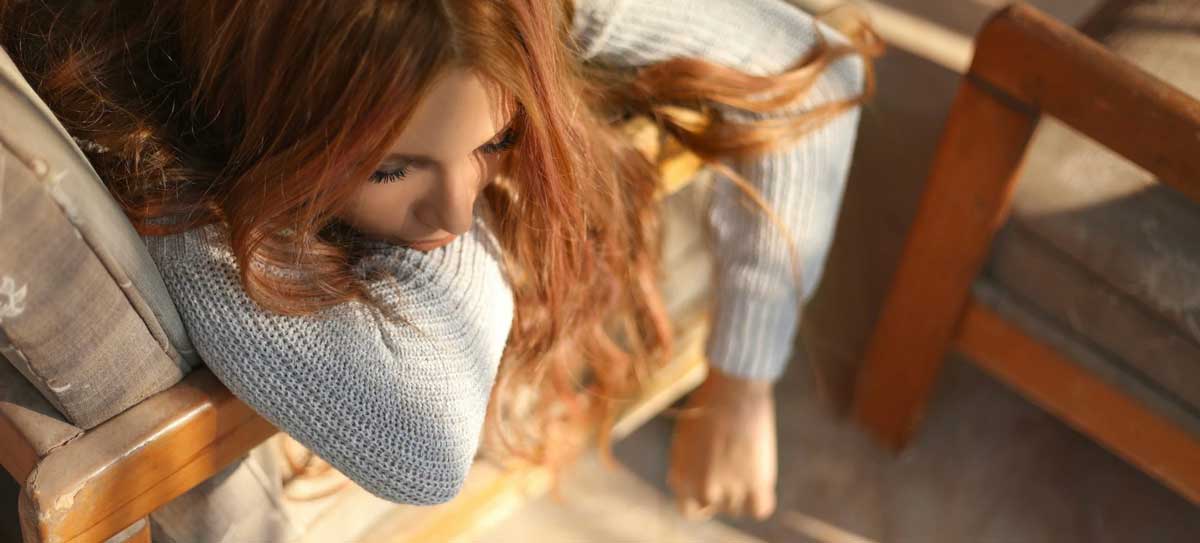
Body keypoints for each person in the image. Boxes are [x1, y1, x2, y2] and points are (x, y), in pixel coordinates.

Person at [2, 0, 875, 531]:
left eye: (498, 139)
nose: (457, 214)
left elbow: (814, 72)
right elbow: (419, 443)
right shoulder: (167, 148)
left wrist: (742, 380)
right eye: (392, 169)